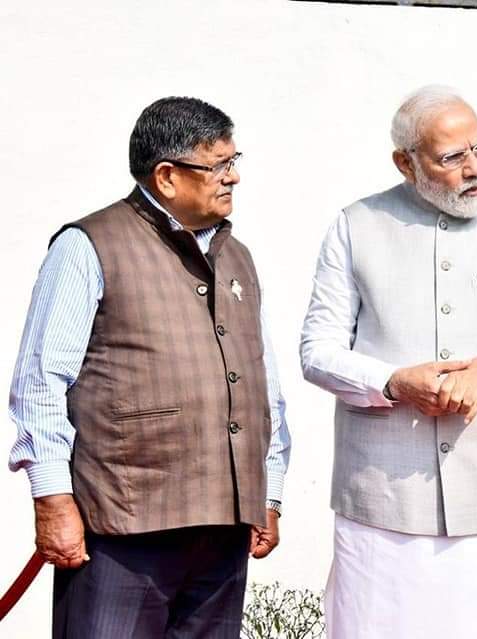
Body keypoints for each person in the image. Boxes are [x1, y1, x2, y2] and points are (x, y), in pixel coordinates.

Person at [300, 85, 477, 639]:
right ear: (406, 163)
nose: (475, 167)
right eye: (453, 157)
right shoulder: (355, 225)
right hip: (383, 501)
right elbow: (318, 350)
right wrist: (391, 381)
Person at [8, 96, 291, 638]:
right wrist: (52, 499)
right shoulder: (88, 246)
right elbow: (41, 381)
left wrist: (268, 489)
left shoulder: (238, 257)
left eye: (235, 161)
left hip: (224, 527)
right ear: (166, 176)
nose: (234, 177)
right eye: (219, 165)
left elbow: (262, 381)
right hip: (121, 529)